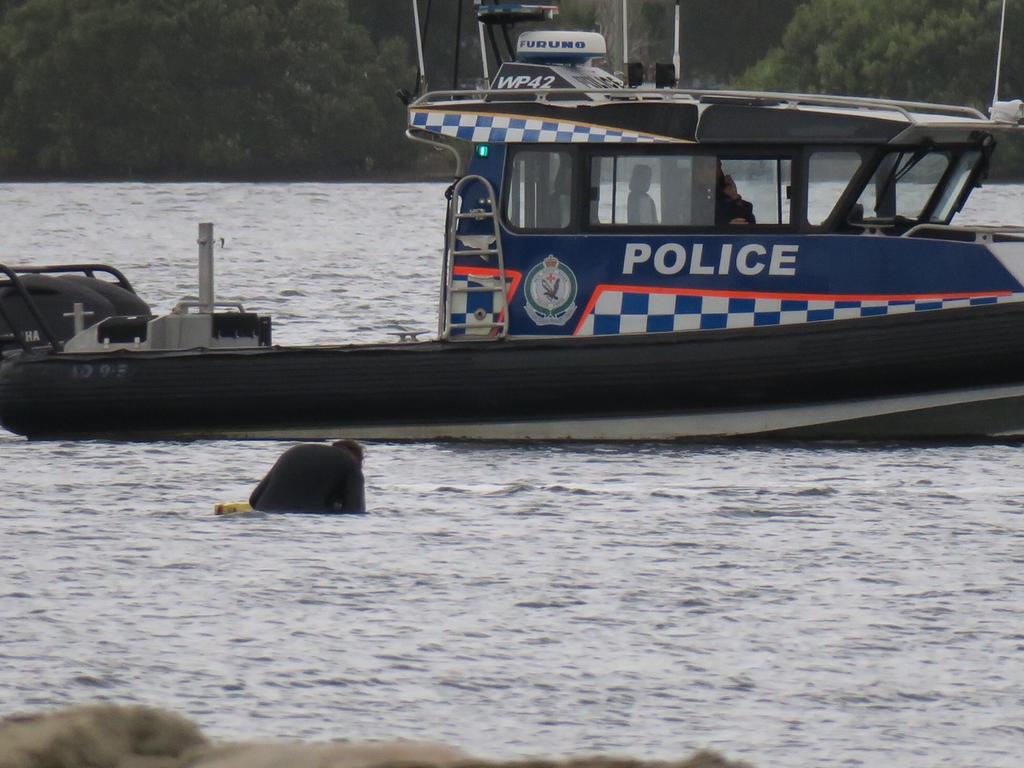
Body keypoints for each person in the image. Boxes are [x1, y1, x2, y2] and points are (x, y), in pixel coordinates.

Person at [249, 440, 365, 513]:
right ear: (358, 460)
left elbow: (253, 500)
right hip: (302, 525)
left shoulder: (295, 450)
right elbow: (355, 511)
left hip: (265, 515)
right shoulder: (351, 463)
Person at [716, 161, 756, 225]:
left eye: (719, 167)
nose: (717, 171)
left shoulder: (723, 197)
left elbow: (751, 225)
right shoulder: (697, 198)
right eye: (711, 167)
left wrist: (734, 197)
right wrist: (725, 228)